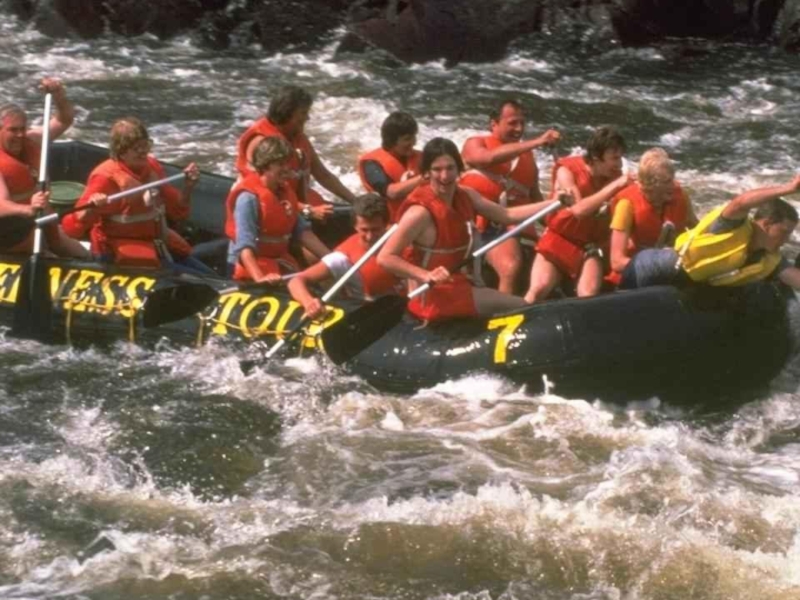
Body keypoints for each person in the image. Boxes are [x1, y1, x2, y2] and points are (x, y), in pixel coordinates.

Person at [377, 137, 567, 322]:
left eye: (450, 168)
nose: (445, 176)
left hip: (457, 284)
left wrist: (555, 203)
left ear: (459, 169)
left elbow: (507, 215)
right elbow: (386, 257)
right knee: (523, 306)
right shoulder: (419, 213)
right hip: (432, 294)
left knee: (519, 305)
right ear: (426, 173)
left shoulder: (466, 195)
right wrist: (425, 275)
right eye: (437, 169)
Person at [62, 117, 212, 273]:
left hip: (154, 243)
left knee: (208, 275)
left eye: (145, 145)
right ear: (121, 152)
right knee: (193, 278)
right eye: (136, 148)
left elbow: (178, 211)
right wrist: (92, 208)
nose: (143, 152)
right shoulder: (104, 177)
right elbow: (72, 228)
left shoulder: (152, 166)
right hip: (117, 252)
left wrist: (188, 187)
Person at [619, 175, 800, 290]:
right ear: (767, 224)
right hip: (651, 268)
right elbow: (741, 202)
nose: (786, 240)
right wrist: (789, 189)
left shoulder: (769, 260)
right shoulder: (732, 225)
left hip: (679, 286)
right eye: (784, 232)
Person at [460, 99, 560, 294]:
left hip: (521, 229)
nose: (519, 129)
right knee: (510, 265)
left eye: (522, 123)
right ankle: (505, 309)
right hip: (487, 228)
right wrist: (538, 141)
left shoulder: (528, 157)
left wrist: (564, 217)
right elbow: (487, 158)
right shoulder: (475, 144)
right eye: (512, 123)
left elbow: (536, 201)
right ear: (494, 124)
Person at [525, 126, 631, 302]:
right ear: (596, 157)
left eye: (621, 157)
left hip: (590, 247)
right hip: (560, 239)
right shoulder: (566, 171)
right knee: (539, 288)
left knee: (588, 295)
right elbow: (578, 210)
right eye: (614, 158)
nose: (619, 165)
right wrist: (616, 185)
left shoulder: (616, 177)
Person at [235, 85, 356, 223]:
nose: (307, 118)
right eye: (303, 113)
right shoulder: (262, 143)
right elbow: (263, 190)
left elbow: (323, 175)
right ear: (286, 113)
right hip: (269, 207)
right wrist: (307, 210)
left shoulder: (297, 136)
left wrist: (355, 201)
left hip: (295, 203)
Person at [0, 78, 89, 258]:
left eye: (22, 129)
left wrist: (59, 96)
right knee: (46, 253)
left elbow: (64, 120)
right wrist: (28, 210)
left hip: (39, 218)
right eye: (13, 130)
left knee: (82, 255)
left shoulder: (32, 139)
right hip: (10, 230)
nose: (20, 135)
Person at [226, 136, 329, 282]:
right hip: (249, 268)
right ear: (265, 166)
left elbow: (303, 232)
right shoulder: (248, 199)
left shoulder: (284, 193)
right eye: (280, 164)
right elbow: (244, 246)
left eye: (287, 163)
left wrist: (332, 258)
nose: (287, 168)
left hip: (276, 262)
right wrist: (260, 279)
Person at [287, 193, 402, 319]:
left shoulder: (403, 237)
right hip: (377, 315)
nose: (370, 237)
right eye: (364, 230)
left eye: (375, 230)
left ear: (386, 225)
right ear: (355, 226)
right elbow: (296, 281)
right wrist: (309, 303)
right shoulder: (341, 259)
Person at [608, 148, 697, 285]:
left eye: (672, 179)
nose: (673, 185)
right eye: (667, 181)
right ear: (650, 185)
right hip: (637, 276)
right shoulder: (626, 205)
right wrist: (659, 266)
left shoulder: (681, 196)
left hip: (672, 268)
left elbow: (697, 231)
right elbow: (616, 261)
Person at [357, 111, 423, 222]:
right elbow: (392, 192)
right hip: (389, 224)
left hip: (421, 219)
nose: (413, 142)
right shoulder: (371, 164)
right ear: (391, 141)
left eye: (414, 137)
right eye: (407, 139)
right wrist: (424, 177)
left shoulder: (422, 157)